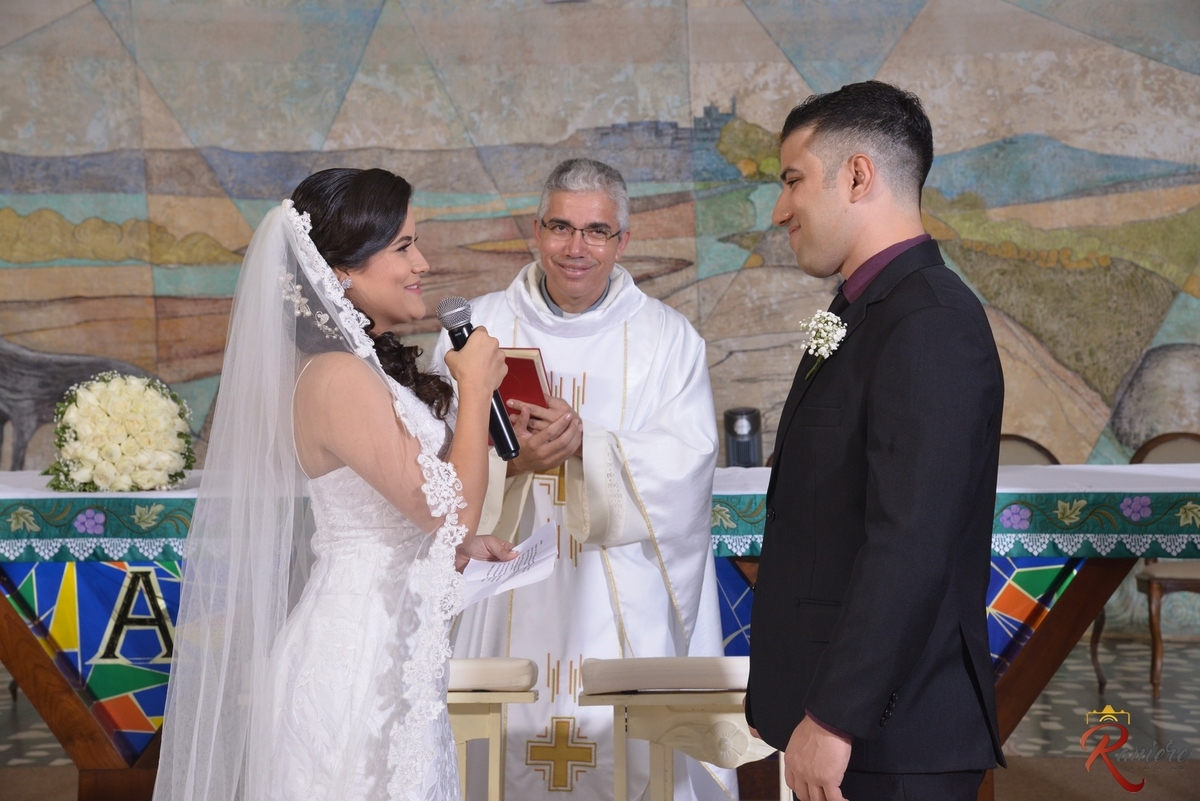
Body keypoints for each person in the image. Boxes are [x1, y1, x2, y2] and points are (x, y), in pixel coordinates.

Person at [153, 168, 516, 801]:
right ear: (342, 270)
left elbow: (415, 516)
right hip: (355, 664)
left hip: (390, 649)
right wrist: (478, 388)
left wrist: (458, 549)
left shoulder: (364, 369)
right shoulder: (338, 376)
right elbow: (448, 511)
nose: (422, 263)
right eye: (404, 246)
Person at [432, 159, 735, 800]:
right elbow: (428, 463)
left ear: (623, 241)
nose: (577, 248)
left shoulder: (666, 340)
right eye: (560, 228)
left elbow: (687, 467)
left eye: (597, 232)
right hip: (502, 587)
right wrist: (514, 464)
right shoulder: (475, 331)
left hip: (618, 593)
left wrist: (585, 445)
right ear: (535, 232)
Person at [745, 81, 1006, 801]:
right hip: (848, 721)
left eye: (793, 180)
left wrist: (834, 718)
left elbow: (910, 542)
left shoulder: (930, 323)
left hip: (888, 732)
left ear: (858, 175)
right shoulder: (859, 309)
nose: (780, 209)